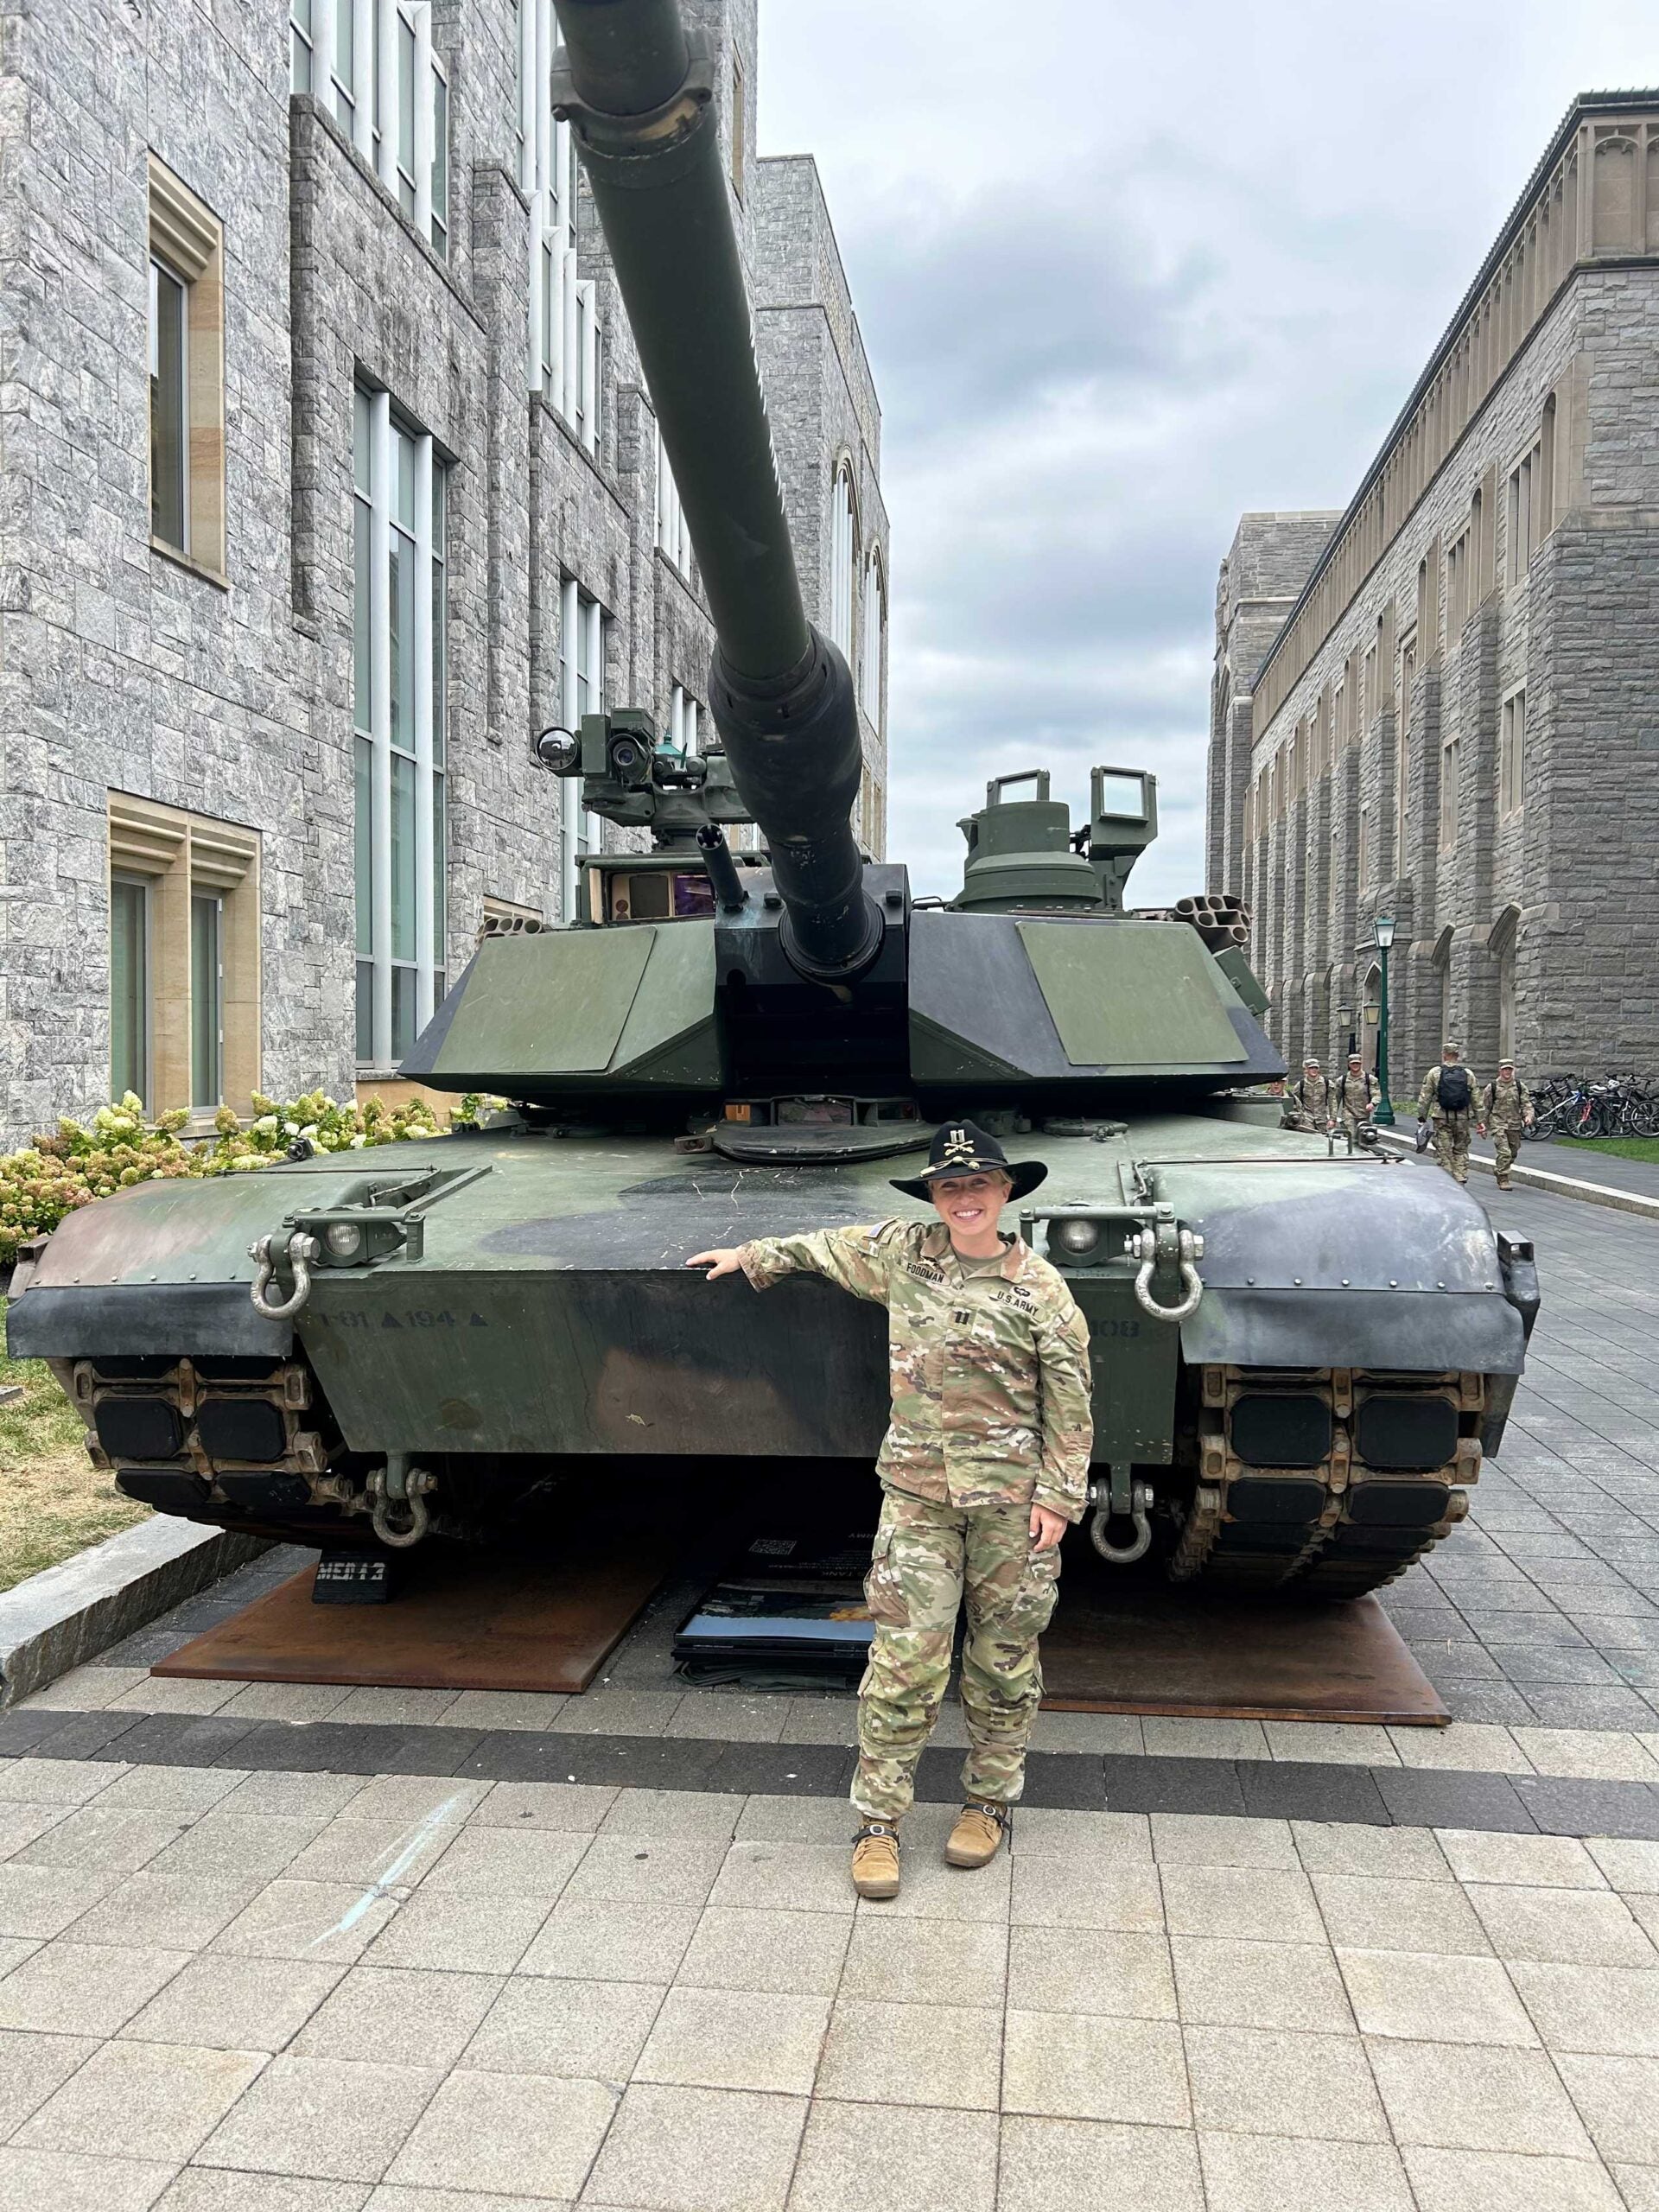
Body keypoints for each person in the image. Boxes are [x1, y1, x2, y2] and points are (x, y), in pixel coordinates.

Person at [687, 1120, 1092, 1902]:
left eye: (978, 1185)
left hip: (1014, 1508)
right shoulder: (906, 1254)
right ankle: (878, 1823)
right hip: (919, 1498)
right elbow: (828, 1245)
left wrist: (1061, 1499)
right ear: (934, 1198)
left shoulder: (1041, 1289)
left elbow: (1072, 1405)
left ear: (1006, 1192)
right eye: (950, 1187)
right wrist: (752, 1255)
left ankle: (988, 1805)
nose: (965, 1198)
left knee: (1004, 1662)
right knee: (904, 1663)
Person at [1417, 1042, 1476, 1184]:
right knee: (1461, 1148)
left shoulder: (1435, 1073)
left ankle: (1448, 1177)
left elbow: (1425, 1097)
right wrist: (1481, 1120)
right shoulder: (1467, 1073)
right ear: (1457, 1055)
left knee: (1444, 1149)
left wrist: (1422, 1117)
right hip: (1462, 1118)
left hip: (1441, 1117)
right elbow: (1476, 1098)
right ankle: (1460, 1175)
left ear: (1444, 1055)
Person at [1478, 1058, 1534, 1191]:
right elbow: (1485, 1107)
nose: (1507, 1072)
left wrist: (1528, 1116)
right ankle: (1503, 1178)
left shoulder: (1520, 1087)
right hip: (1498, 1123)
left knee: (1513, 1152)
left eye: (1509, 1069)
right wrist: (1482, 1125)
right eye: (1505, 1069)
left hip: (1514, 1124)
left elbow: (1526, 1104)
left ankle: (1500, 1169)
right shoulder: (1492, 1087)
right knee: (1505, 1152)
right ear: (1500, 1071)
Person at [1334, 1052, 1381, 1140]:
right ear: (1349, 1064)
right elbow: (1335, 1100)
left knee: (1365, 1139)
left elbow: (1376, 1094)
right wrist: (1333, 1118)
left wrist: (1372, 1103)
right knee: (1351, 1138)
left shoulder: (1369, 1079)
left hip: (1364, 1114)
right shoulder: (1342, 1080)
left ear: (1360, 1064)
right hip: (1348, 1114)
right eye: (1353, 1063)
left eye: (1357, 1063)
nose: (1355, 1065)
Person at [1281, 1058, 1329, 1133]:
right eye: (1311, 1068)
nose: (1314, 1070)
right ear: (1306, 1069)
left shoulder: (1326, 1083)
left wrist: (1333, 1119)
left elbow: (1333, 1101)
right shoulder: (1301, 1085)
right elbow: (1295, 1102)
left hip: (1322, 1120)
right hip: (1307, 1120)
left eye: (1316, 1068)